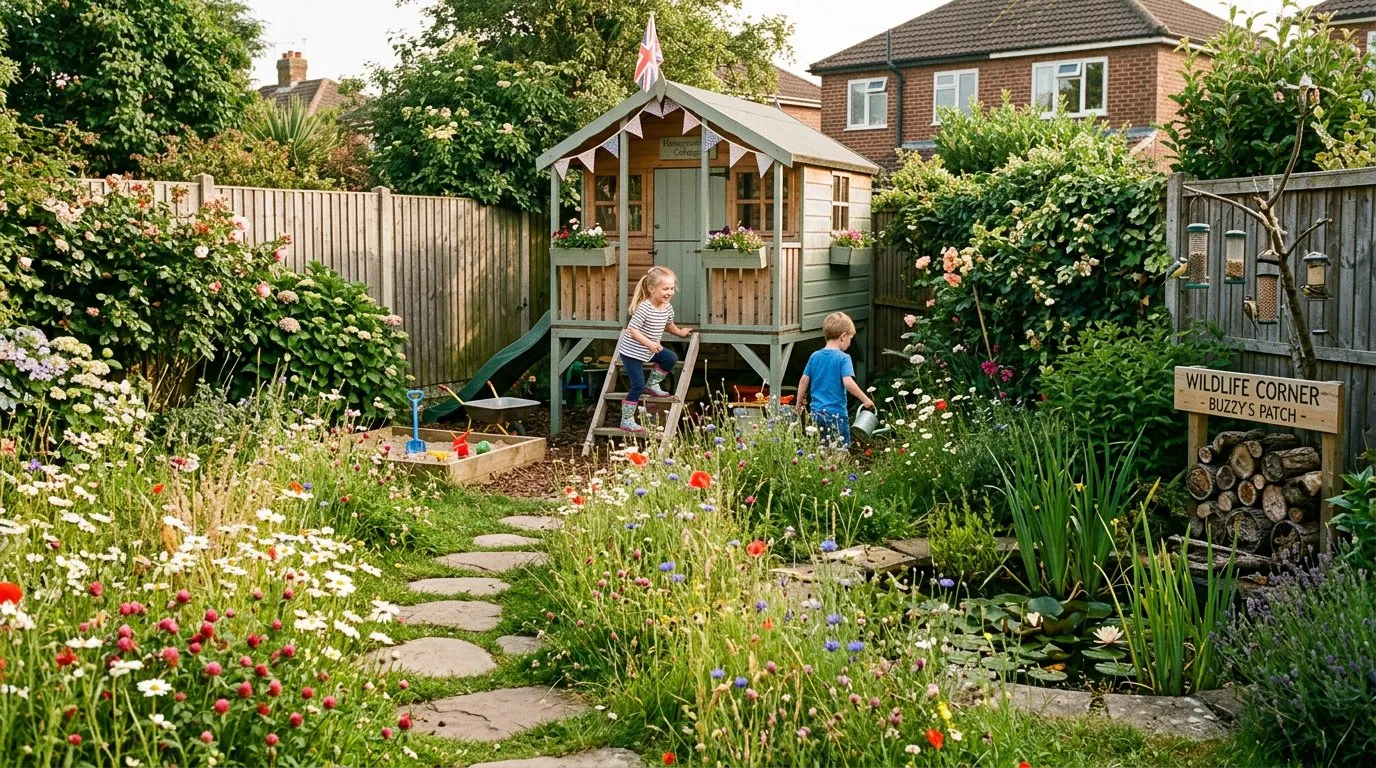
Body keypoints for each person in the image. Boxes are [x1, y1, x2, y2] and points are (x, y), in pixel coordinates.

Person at [613, 266, 693, 432]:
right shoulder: (644, 308)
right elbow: (632, 330)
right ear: (651, 289)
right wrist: (649, 343)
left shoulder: (667, 308)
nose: (669, 292)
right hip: (632, 353)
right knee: (637, 385)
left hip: (650, 351)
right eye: (665, 289)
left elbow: (669, 325)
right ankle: (626, 420)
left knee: (670, 357)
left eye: (672, 288)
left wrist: (680, 332)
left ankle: (653, 383)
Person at [795, 311, 874, 447]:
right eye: (850, 338)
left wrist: (798, 403)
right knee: (840, 452)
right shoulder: (843, 358)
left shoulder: (815, 356)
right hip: (836, 415)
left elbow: (803, 381)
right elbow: (848, 382)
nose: (850, 343)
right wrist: (865, 399)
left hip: (816, 414)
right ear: (843, 336)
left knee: (820, 450)